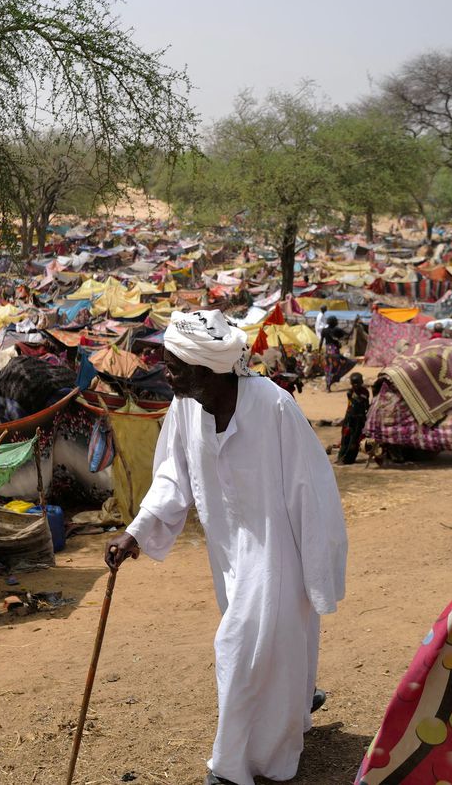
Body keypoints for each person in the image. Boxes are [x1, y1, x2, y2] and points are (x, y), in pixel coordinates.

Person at [107, 310, 348, 785]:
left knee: (238, 645)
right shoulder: (184, 408)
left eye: (174, 365)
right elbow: (172, 475)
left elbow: (311, 490)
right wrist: (136, 531)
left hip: (279, 549)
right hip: (227, 552)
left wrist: (318, 568)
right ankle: (293, 711)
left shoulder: (273, 406)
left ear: (206, 369)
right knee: (272, 649)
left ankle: (232, 767)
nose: (166, 373)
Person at [337, 373, 370, 465]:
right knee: (345, 438)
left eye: (357, 383)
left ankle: (348, 459)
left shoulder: (364, 392)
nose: (355, 385)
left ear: (361, 382)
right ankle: (341, 456)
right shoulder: (350, 392)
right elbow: (351, 406)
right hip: (349, 418)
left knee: (354, 440)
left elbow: (366, 405)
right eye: (353, 383)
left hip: (359, 419)